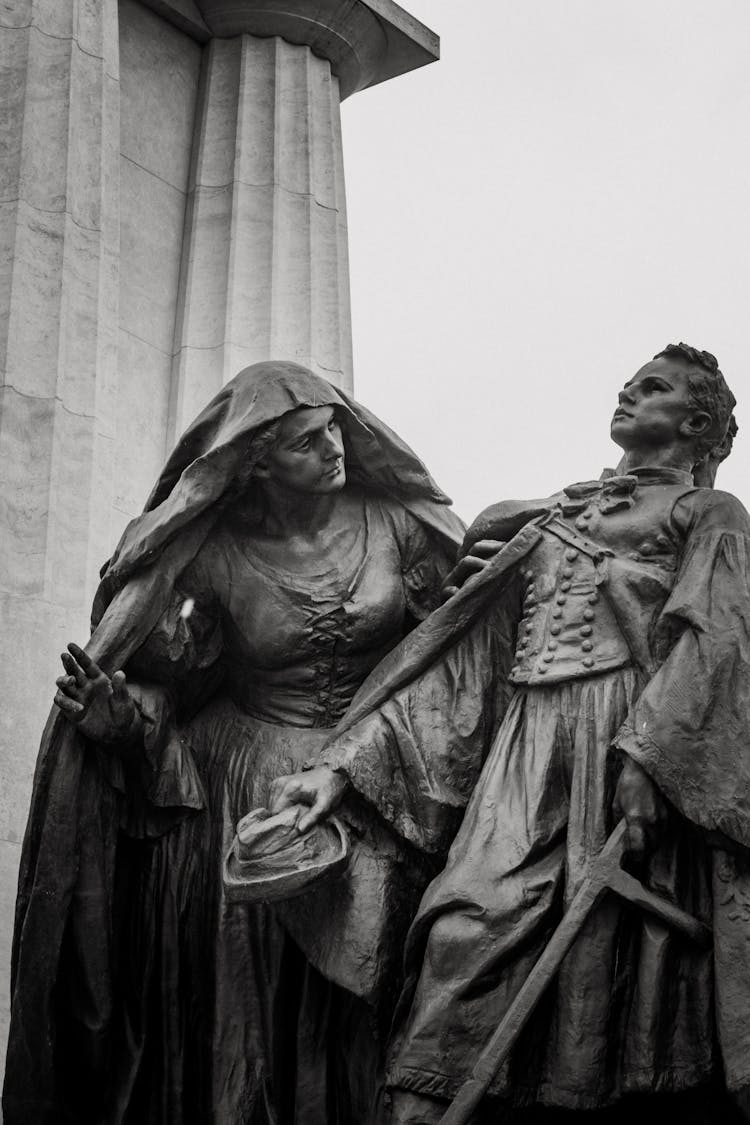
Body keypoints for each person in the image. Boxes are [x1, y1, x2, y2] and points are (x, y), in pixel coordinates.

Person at [270, 344, 750, 1124]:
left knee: (618, 973)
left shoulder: (708, 515)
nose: (627, 393)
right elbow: (458, 668)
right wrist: (341, 769)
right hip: (525, 751)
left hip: (628, 738)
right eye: (627, 382)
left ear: (697, 423)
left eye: (652, 388)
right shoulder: (551, 515)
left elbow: (718, 634)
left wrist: (649, 757)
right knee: (460, 932)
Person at [3, 361, 466, 1125]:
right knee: (248, 1010)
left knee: (368, 1002)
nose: (333, 448)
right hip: (246, 790)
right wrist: (115, 720)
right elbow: (176, 685)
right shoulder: (213, 553)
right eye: (306, 442)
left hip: (379, 774)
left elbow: (452, 644)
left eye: (334, 429)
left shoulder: (397, 524)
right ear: (256, 461)